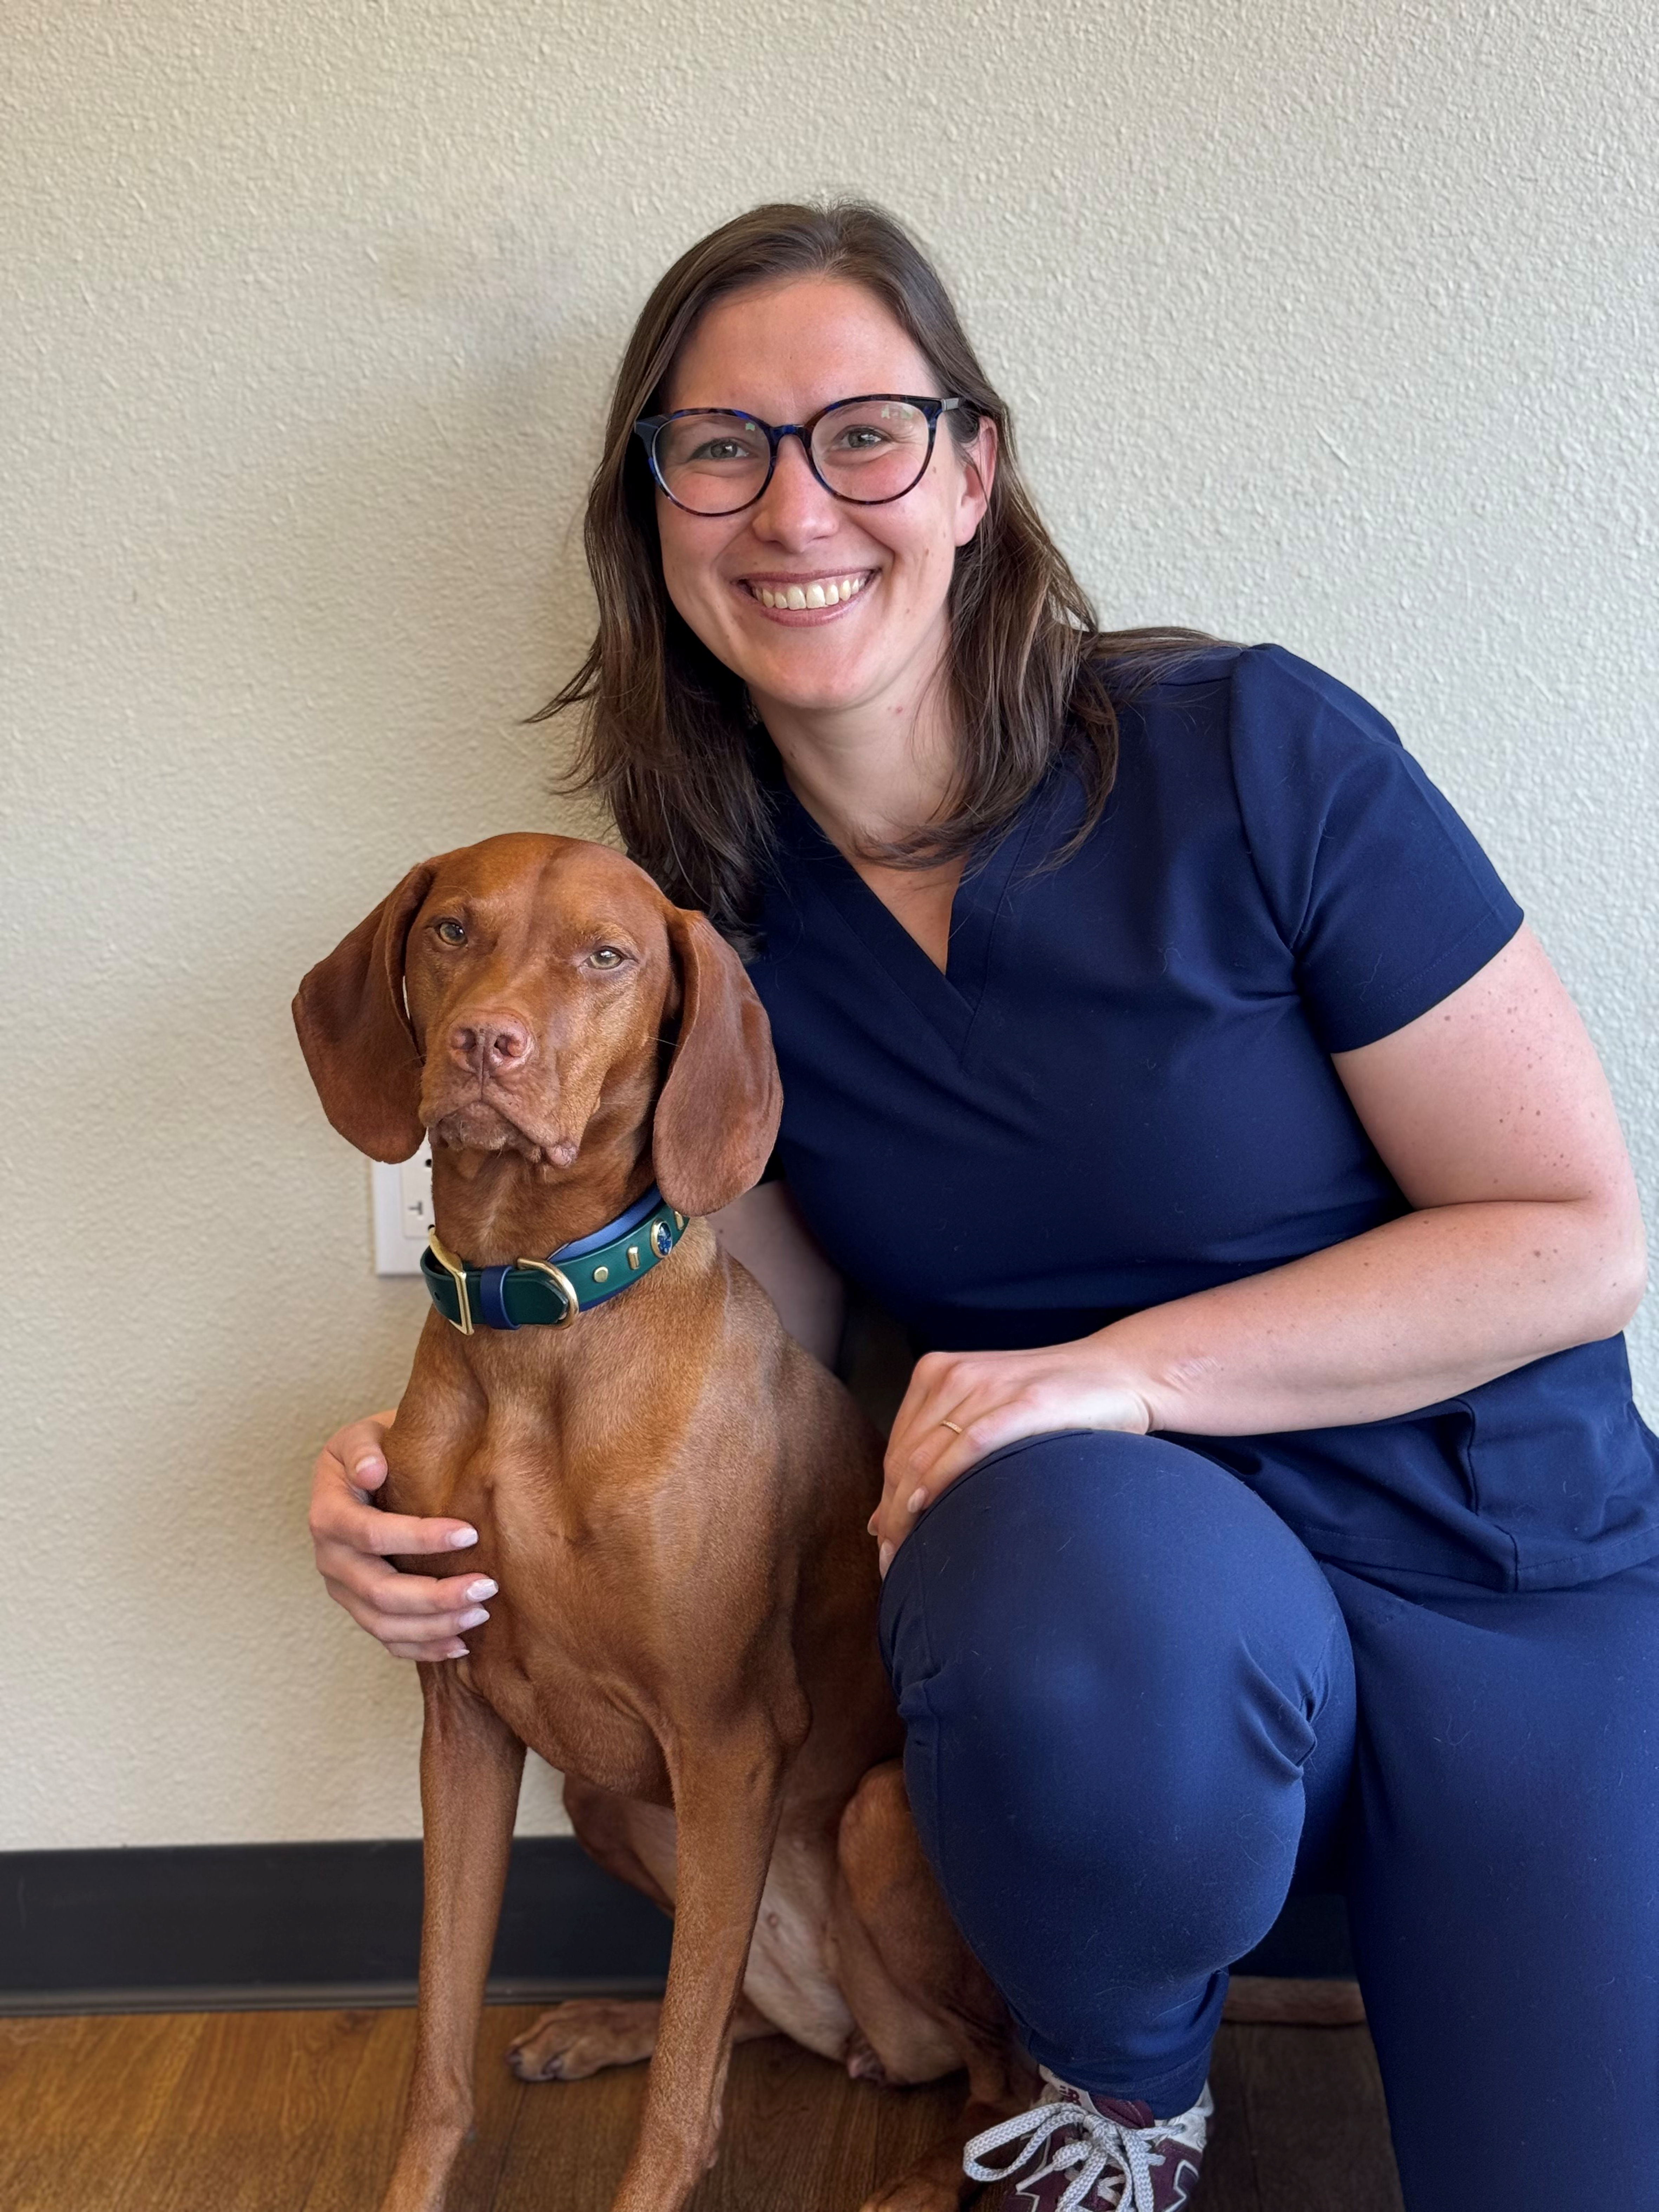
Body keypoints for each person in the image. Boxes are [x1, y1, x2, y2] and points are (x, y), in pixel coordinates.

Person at [307, 202, 1658, 2211]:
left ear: (969, 472)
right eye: (720, 446)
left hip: (1491, 1542)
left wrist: (1112, 1372)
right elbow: (689, 1312)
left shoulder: (1253, 750)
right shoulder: (715, 942)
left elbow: (1576, 1232)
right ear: (653, 510)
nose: (794, 505)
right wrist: (403, 1479)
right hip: (1108, 1625)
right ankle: (1108, 2116)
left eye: (864, 432)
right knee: (1068, 1568)